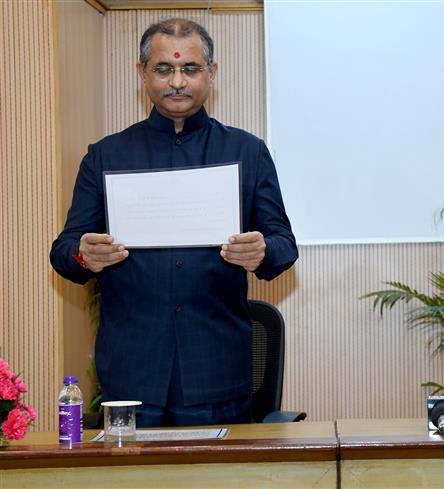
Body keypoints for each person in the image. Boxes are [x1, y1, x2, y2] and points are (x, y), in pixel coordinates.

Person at [50, 18, 298, 427]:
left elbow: (284, 246)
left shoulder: (247, 151)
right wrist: (84, 254)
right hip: (130, 377)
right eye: (164, 69)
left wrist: (263, 250)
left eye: (190, 69)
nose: (177, 81)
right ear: (142, 73)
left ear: (211, 73)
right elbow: (63, 252)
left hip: (216, 373)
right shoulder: (106, 156)